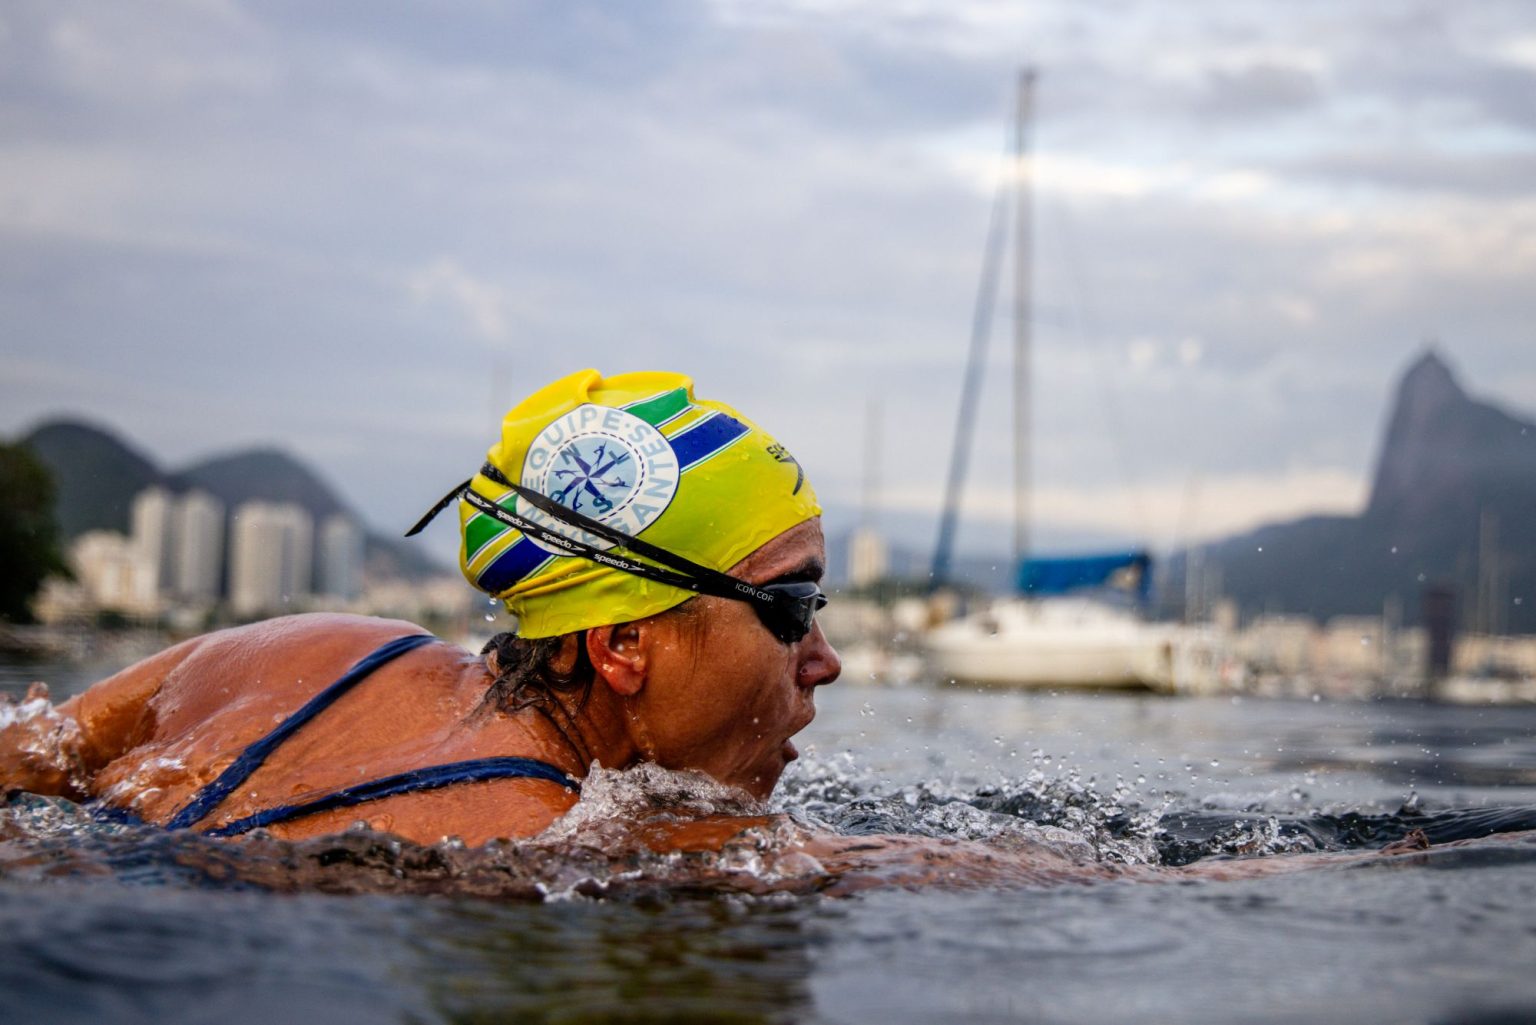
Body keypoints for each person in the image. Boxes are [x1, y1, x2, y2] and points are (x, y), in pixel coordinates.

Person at [0, 369, 841, 847]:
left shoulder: (305, 649)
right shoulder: (565, 856)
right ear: (621, 641)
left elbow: (33, 752)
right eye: (793, 605)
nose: (824, 658)